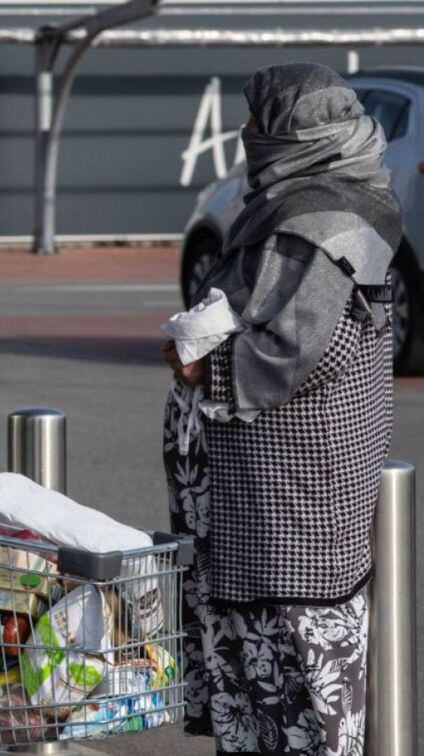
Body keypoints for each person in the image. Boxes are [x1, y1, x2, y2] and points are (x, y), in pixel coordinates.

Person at [162, 63, 400, 755]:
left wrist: (202, 366)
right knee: (271, 680)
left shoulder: (316, 219)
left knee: (296, 689)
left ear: (296, 134)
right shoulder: (335, 196)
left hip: (287, 501)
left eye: (261, 124)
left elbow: (300, 348)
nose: (248, 135)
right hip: (280, 498)